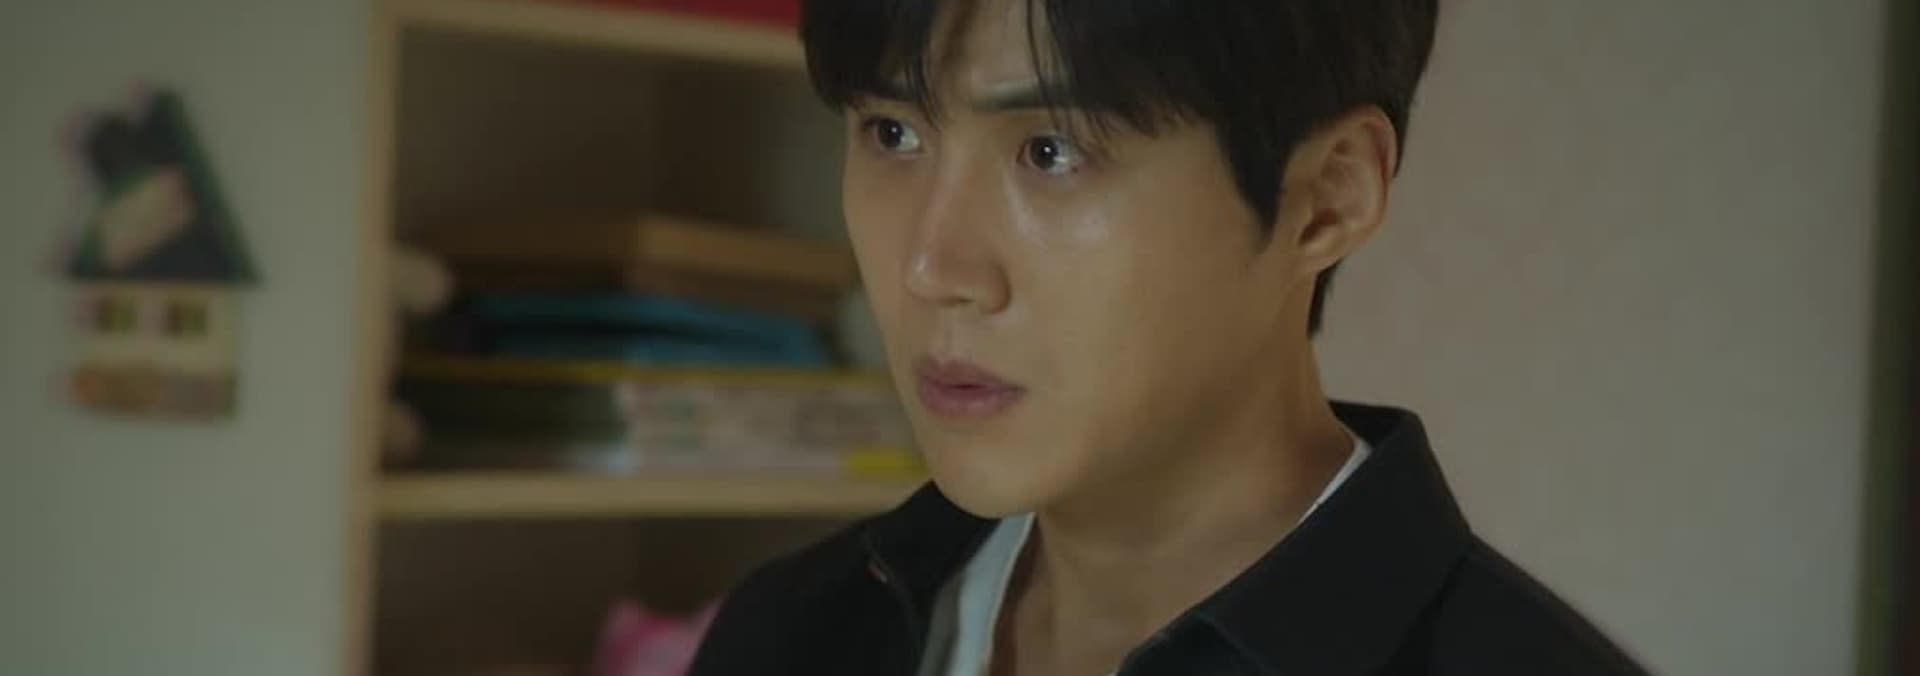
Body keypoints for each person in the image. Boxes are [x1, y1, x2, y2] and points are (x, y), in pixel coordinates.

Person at [692, 1, 1647, 673]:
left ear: (1326, 198)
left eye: (1052, 151)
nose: (930, 269)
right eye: (892, 134)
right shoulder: (790, 632)